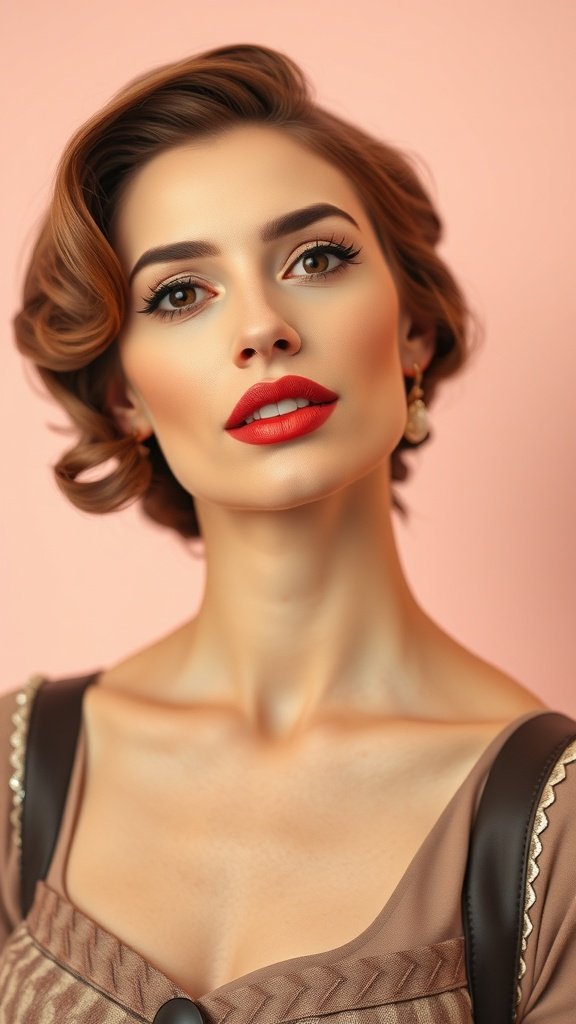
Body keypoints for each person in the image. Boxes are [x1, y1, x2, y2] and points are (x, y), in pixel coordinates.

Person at [0, 43, 574, 1023]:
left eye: (316, 259)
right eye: (180, 293)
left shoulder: (552, 833)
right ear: (126, 395)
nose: (263, 326)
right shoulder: (17, 775)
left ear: (411, 332)